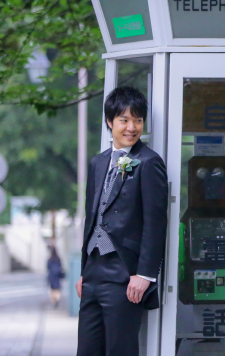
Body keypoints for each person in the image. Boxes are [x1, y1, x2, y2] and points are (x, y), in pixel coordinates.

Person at [75, 86, 168, 356]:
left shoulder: (149, 162)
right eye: (124, 120)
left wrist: (145, 275)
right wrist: (84, 271)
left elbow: (155, 222)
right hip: (93, 272)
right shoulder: (97, 162)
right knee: (87, 350)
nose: (132, 127)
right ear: (109, 121)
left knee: (121, 350)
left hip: (124, 274)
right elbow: (91, 217)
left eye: (138, 120)